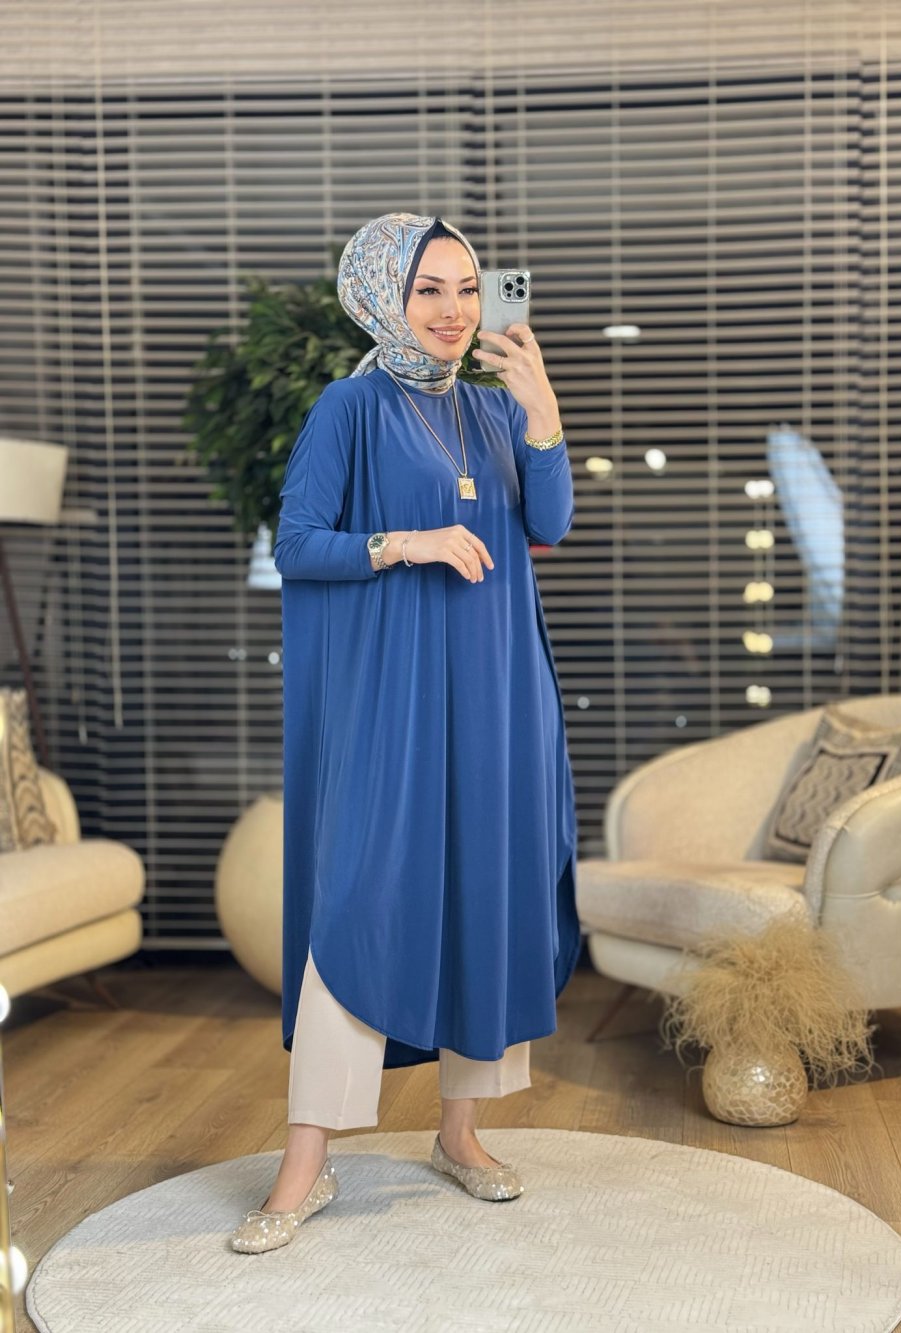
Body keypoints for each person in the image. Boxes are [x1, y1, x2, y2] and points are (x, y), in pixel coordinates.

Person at [231, 212, 581, 1254]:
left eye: (468, 288)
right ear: (383, 295)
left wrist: (543, 413)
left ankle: (459, 1134)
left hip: (498, 692)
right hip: (393, 697)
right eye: (429, 288)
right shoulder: (349, 407)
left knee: (485, 891)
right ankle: (304, 1167)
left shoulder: (494, 408)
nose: (453, 310)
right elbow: (298, 545)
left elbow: (550, 524)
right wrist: (407, 542)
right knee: (359, 898)